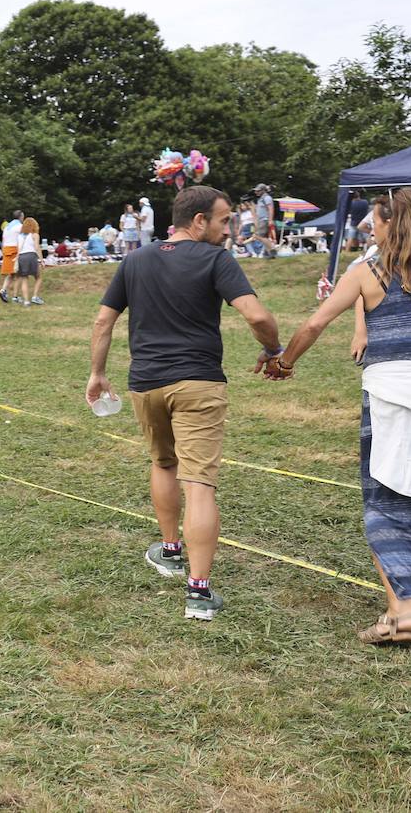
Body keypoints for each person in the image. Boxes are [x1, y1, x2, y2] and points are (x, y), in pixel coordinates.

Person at [86, 185, 283, 622]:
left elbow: (104, 319)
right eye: (224, 219)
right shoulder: (217, 259)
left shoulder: (134, 259)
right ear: (198, 221)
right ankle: (198, 591)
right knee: (200, 484)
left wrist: (98, 374)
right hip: (198, 383)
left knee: (163, 464)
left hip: (146, 383)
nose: (229, 228)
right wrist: (273, 351)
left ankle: (170, 548)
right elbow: (258, 316)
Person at [264, 189, 411, 644]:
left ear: (390, 222)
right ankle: (396, 612)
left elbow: (314, 324)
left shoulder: (367, 272)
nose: (370, 226)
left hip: (390, 396)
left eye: (374, 219)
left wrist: (283, 362)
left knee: (385, 500)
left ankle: (404, 610)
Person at [15, 216, 45, 306]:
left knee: (24, 279)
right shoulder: (35, 235)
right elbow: (36, 247)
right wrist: (42, 260)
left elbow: (18, 248)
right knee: (38, 277)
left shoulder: (20, 236)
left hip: (21, 257)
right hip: (31, 256)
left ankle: (26, 301)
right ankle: (35, 296)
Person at [0, 210, 24, 302]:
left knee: (11, 273)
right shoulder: (20, 226)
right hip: (15, 250)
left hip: (6, 249)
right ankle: (15, 297)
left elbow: (3, 240)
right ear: (20, 217)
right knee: (19, 274)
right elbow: (23, 239)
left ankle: (3, 290)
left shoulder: (7, 226)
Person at [253, 184, 277, 258]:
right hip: (261, 220)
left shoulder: (267, 198)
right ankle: (269, 253)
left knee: (259, 236)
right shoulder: (261, 199)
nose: (256, 192)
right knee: (263, 236)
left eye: (258, 191)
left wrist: (270, 220)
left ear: (263, 191)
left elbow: (270, 209)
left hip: (265, 219)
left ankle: (272, 248)